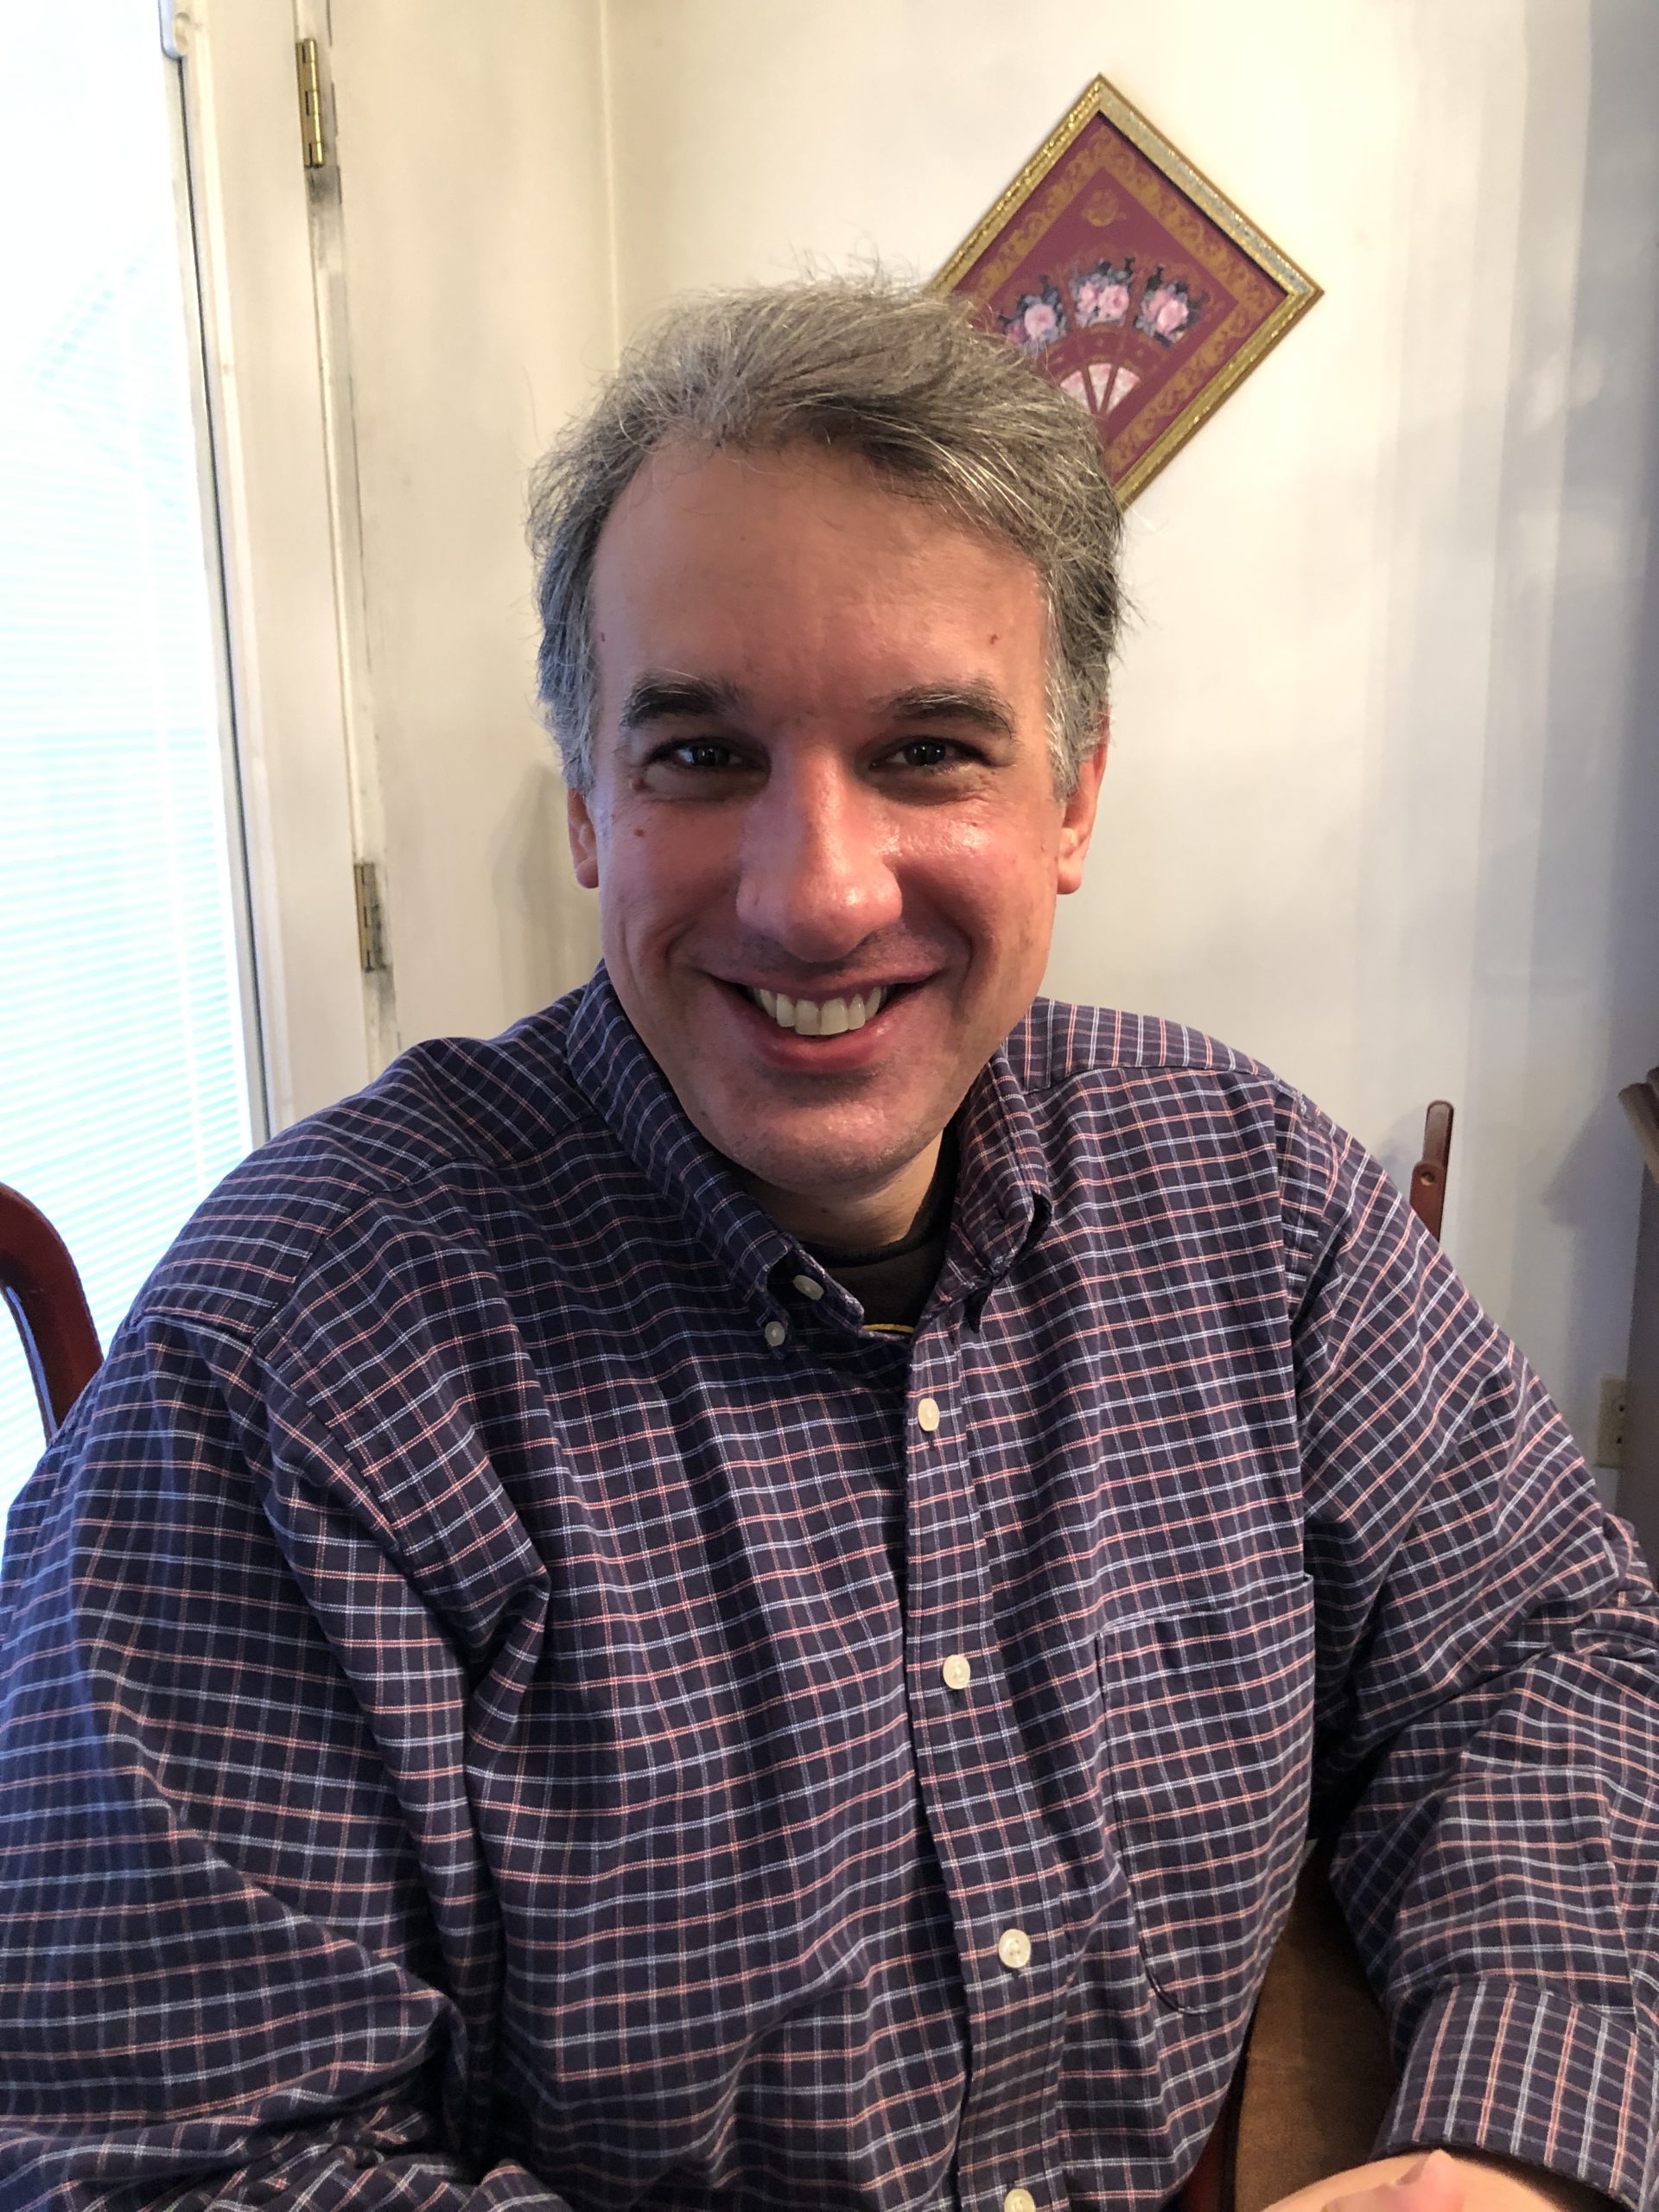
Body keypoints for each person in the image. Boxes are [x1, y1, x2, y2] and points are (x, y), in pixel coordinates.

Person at [0, 277, 1654, 2212]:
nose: (817, 893)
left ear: (1074, 797)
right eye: (702, 755)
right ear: (587, 806)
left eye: (932, 748)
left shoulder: (1254, 1202)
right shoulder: (289, 1365)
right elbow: (160, 2159)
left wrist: (1502, 2144)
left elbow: (1540, 1656)